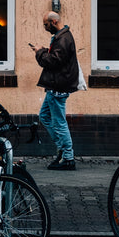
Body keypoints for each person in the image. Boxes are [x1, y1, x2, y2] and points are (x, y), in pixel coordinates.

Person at [30, 10, 80, 171]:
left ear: (53, 22)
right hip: (55, 86)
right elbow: (57, 58)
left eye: (46, 24)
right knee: (44, 116)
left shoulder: (63, 38)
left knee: (59, 122)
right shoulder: (62, 37)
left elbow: (53, 62)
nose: (45, 28)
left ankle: (68, 157)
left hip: (58, 87)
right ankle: (62, 149)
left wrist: (39, 52)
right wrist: (43, 50)